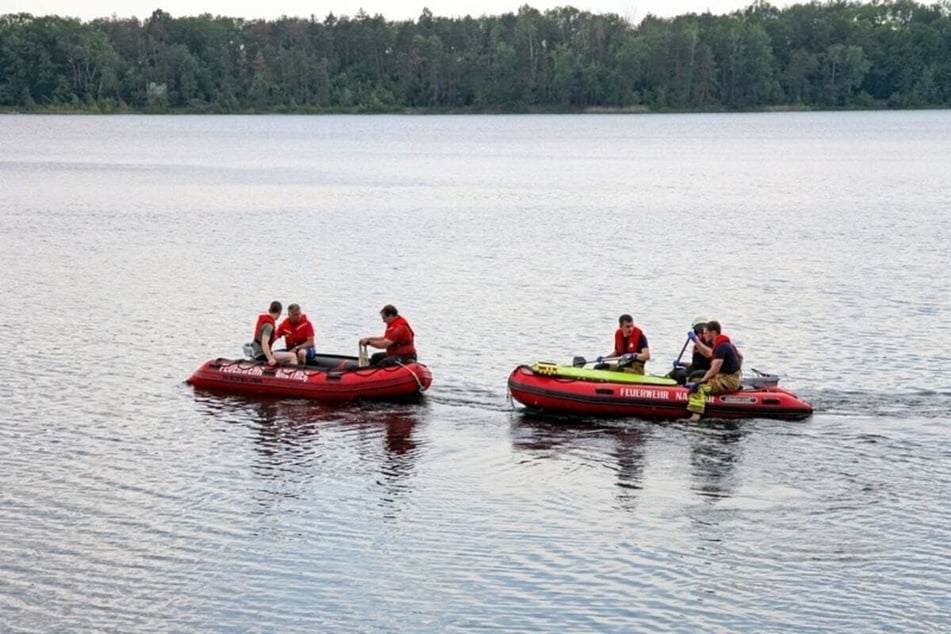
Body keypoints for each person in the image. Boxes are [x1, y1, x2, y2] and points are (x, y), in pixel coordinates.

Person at [682, 320, 744, 422]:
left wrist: (701, 382)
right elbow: (741, 357)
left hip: (727, 380)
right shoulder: (726, 344)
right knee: (697, 379)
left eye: (706, 333)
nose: (704, 335)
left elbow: (714, 369)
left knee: (698, 388)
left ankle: (695, 415)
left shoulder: (721, 347)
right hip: (730, 378)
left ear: (713, 333)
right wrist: (738, 374)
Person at [251, 301, 297, 366]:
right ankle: (295, 375)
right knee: (292, 356)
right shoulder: (269, 326)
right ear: (279, 312)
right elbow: (264, 343)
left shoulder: (263, 321)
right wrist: (270, 358)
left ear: (269, 310)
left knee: (284, 357)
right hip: (261, 355)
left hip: (256, 352)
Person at [669, 316, 712, 384]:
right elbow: (694, 365)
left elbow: (709, 354)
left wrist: (696, 341)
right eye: (697, 331)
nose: (700, 334)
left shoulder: (711, 343)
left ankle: (684, 390)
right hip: (695, 370)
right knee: (674, 372)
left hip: (706, 371)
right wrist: (682, 364)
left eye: (702, 331)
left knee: (683, 375)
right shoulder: (696, 347)